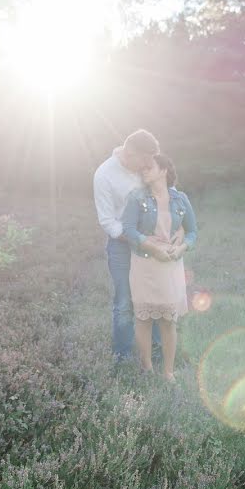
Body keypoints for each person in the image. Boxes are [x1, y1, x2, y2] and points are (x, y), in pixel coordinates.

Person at [93, 130, 176, 361]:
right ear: (130, 153)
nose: (149, 165)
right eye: (145, 160)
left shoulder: (146, 165)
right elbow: (108, 221)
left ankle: (158, 349)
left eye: (152, 161)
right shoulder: (104, 175)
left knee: (157, 295)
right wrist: (139, 239)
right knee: (124, 301)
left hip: (156, 242)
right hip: (122, 246)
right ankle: (123, 355)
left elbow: (166, 191)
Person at [121, 154, 198, 382]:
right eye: (141, 168)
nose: (143, 170)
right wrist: (152, 248)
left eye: (149, 167)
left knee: (168, 320)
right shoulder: (136, 197)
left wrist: (183, 247)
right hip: (145, 263)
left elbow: (192, 231)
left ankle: (169, 372)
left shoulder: (180, 199)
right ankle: (147, 368)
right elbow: (128, 229)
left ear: (164, 170)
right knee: (143, 319)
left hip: (171, 265)